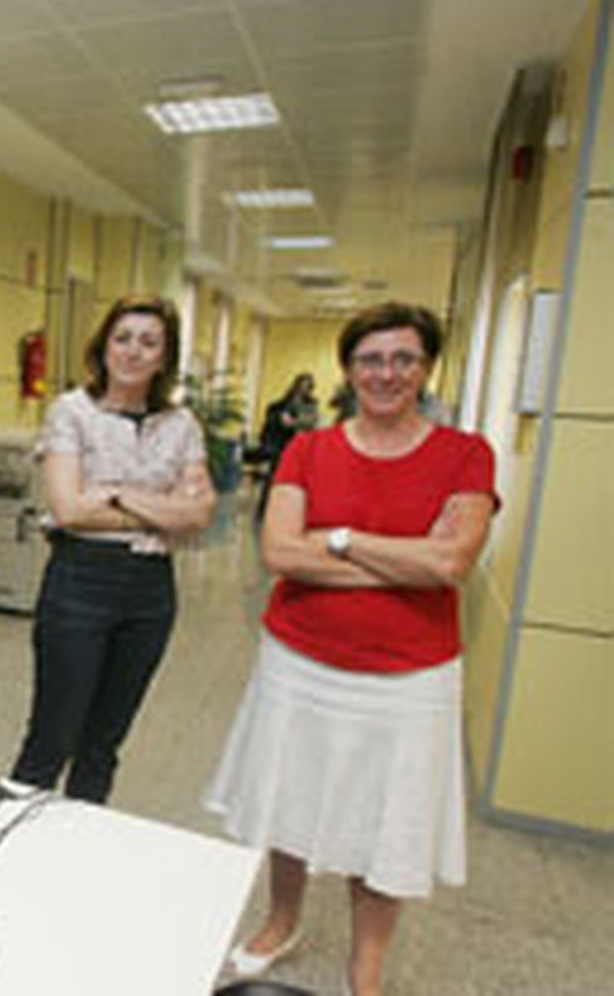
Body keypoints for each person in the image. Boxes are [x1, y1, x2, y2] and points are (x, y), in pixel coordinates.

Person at [204, 302, 498, 996]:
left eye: (403, 358)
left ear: (426, 368)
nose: (387, 372)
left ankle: (365, 970)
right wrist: (406, 557)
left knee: (385, 819)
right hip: (300, 663)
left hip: (410, 677)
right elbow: (279, 550)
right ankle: (282, 920)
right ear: (349, 369)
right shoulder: (310, 449)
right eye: (371, 358)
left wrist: (338, 538)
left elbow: (450, 564)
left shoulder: (466, 454)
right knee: (292, 797)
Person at [9, 295, 214, 803]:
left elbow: (198, 516)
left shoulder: (181, 424)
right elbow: (70, 510)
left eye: (149, 342)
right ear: (102, 347)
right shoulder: (72, 412)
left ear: (165, 357)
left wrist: (117, 493)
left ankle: (82, 850)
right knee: (52, 738)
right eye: (122, 338)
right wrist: (160, 508)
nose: (133, 351)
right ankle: (7, 852)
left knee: (103, 744)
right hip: (81, 581)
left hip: (150, 591)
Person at [255, 372, 320, 519]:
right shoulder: (282, 403)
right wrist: (281, 419)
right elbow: (273, 419)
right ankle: (266, 509)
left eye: (307, 386)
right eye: (301, 386)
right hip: (282, 444)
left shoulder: (311, 404)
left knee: (297, 480)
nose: (303, 389)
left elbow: (311, 422)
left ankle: (289, 512)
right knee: (275, 476)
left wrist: (294, 422)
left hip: (301, 445)